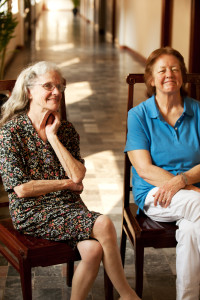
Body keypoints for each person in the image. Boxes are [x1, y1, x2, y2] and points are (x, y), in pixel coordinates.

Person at [0, 61, 140, 300]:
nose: (56, 91)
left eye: (59, 86)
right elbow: (22, 189)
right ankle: (127, 295)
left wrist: (53, 137)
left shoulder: (65, 131)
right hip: (32, 211)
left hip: (68, 208)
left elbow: (78, 175)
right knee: (104, 223)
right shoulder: (10, 132)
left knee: (93, 250)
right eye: (48, 86)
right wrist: (65, 184)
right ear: (29, 91)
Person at [125, 46, 200, 300]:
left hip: (192, 190)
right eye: (162, 70)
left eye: (175, 69)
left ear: (184, 76)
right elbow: (144, 169)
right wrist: (184, 185)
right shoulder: (139, 115)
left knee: (191, 230)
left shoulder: (198, 111)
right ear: (150, 79)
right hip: (157, 194)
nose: (169, 74)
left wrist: (185, 180)